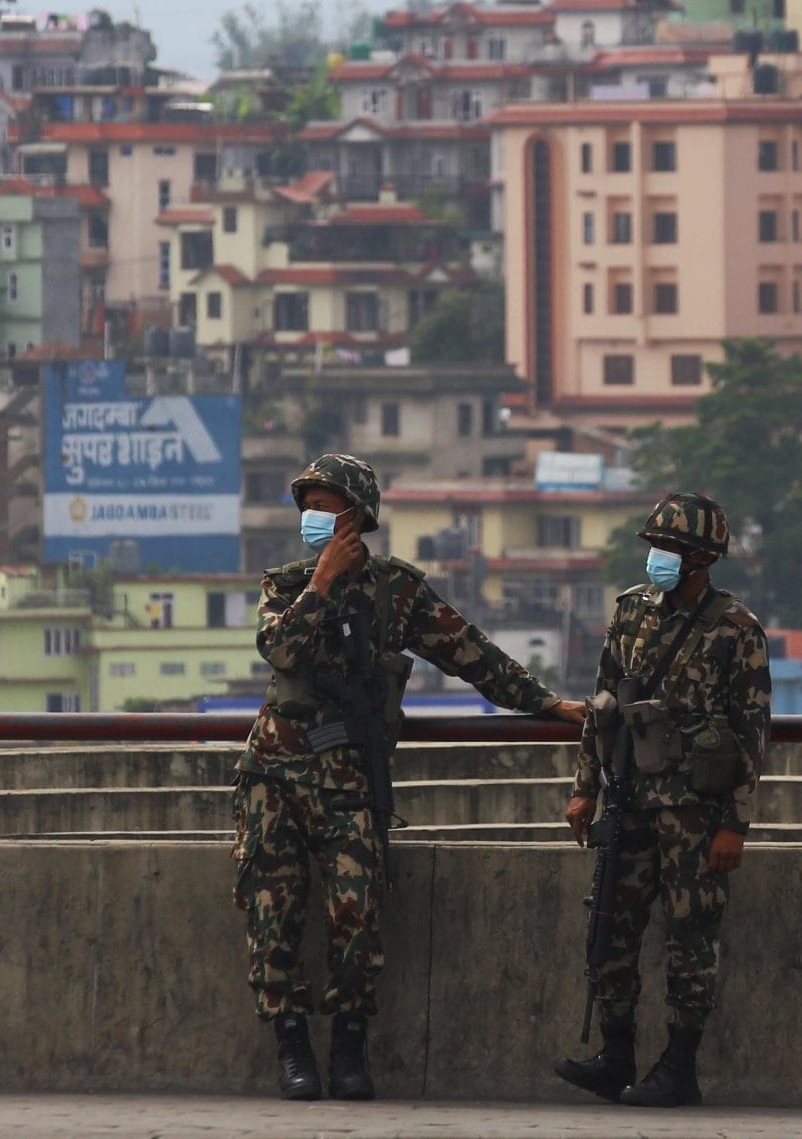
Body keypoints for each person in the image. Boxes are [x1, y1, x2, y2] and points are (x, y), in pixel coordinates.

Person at [233, 451, 583, 1101]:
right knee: (272, 912)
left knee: (358, 913)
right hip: (275, 775)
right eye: (306, 505)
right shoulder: (285, 584)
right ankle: (291, 1043)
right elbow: (280, 649)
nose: (311, 516)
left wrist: (546, 703)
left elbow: (472, 653)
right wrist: (322, 583)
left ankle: (349, 1044)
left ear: (356, 516)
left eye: (324, 505)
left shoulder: (396, 590)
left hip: (350, 780)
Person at [556, 491, 771, 1109]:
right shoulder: (631, 612)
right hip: (628, 800)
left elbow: (752, 733)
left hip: (695, 814)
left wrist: (736, 825)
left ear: (703, 558)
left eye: (671, 548)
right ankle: (615, 1055)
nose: (658, 557)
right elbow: (601, 708)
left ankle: (679, 1067)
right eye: (655, 545)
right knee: (611, 927)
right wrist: (584, 790)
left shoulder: (736, 630)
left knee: (690, 938)